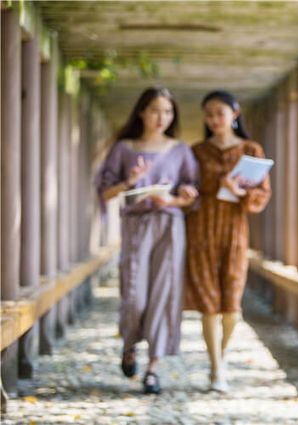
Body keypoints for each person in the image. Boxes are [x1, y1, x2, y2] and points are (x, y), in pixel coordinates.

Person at [95, 87, 199, 394]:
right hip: (136, 225)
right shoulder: (124, 148)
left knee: (163, 293)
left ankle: (153, 367)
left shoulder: (181, 150)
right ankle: (129, 345)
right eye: (155, 110)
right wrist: (130, 181)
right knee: (134, 293)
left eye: (167, 112)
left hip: (170, 225)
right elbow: (105, 191)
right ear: (141, 112)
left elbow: (191, 195)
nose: (161, 118)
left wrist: (180, 199)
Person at [184, 90, 271, 392]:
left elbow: (262, 194)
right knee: (209, 303)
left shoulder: (251, 150)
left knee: (232, 305)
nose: (213, 119)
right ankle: (216, 368)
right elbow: (187, 187)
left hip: (235, 233)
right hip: (201, 232)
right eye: (208, 114)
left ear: (234, 114)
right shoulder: (196, 152)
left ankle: (220, 357)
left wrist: (239, 191)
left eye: (219, 112)